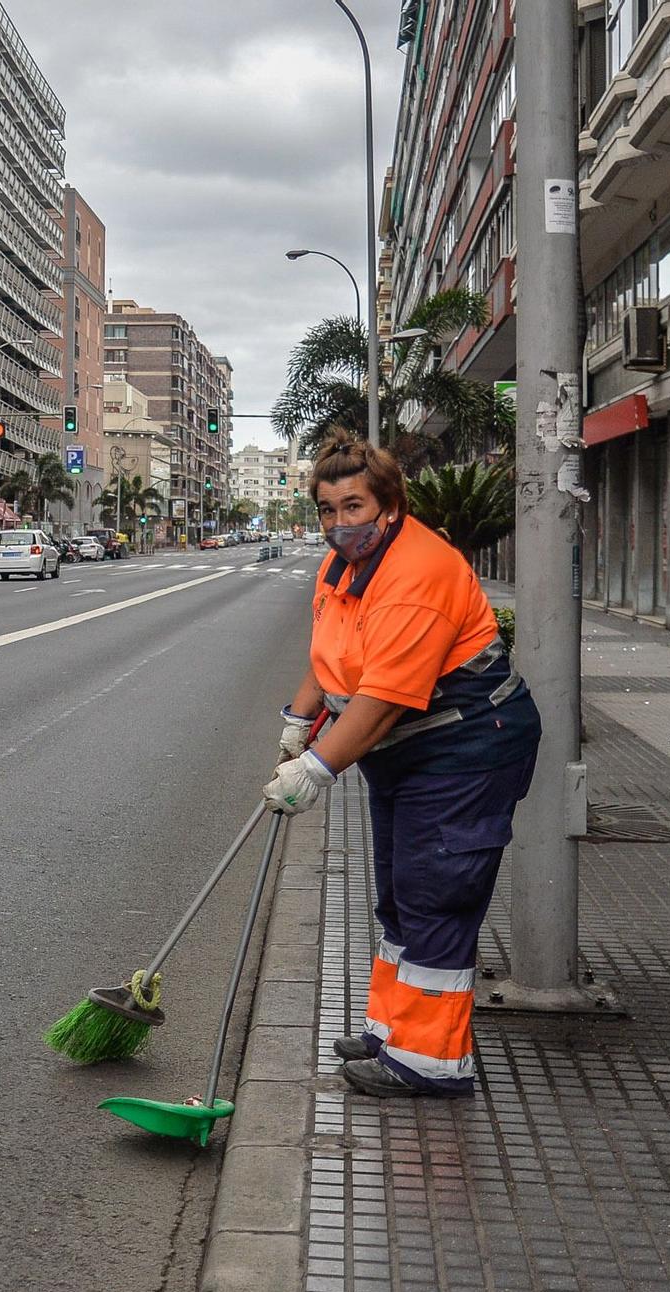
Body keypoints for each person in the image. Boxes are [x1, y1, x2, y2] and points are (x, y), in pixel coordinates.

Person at [263, 429, 540, 1098]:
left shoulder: (416, 573)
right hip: (412, 752)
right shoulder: (345, 566)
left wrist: (318, 768)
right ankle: (393, 1031)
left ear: (389, 505)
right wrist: (301, 719)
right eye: (327, 509)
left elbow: (383, 701)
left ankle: (432, 1061)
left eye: (353, 506)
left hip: (465, 747)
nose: (338, 523)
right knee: (400, 895)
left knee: (437, 896)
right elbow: (332, 652)